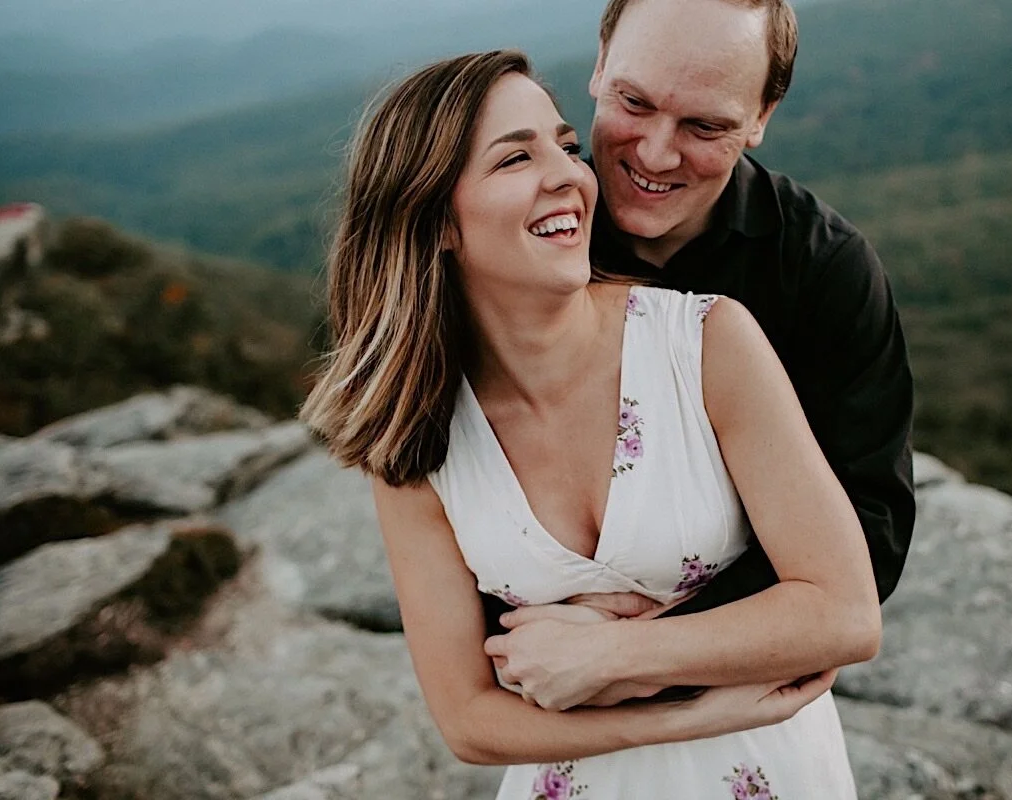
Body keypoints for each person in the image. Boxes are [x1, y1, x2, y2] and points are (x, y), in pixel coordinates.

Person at [301, 49, 878, 797]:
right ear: (435, 222)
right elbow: (468, 719)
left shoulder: (706, 344)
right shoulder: (415, 435)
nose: (569, 176)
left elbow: (844, 612)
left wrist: (612, 655)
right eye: (515, 158)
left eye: (566, 146)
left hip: (770, 771)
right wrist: (677, 719)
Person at [479, 0, 915, 699]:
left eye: (704, 125)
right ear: (598, 67)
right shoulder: (516, 242)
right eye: (634, 102)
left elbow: (871, 533)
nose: (655, 153)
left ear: (762, 116)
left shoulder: (824, 272)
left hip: (745, 699)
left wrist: (637, 651)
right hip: (546, 699)